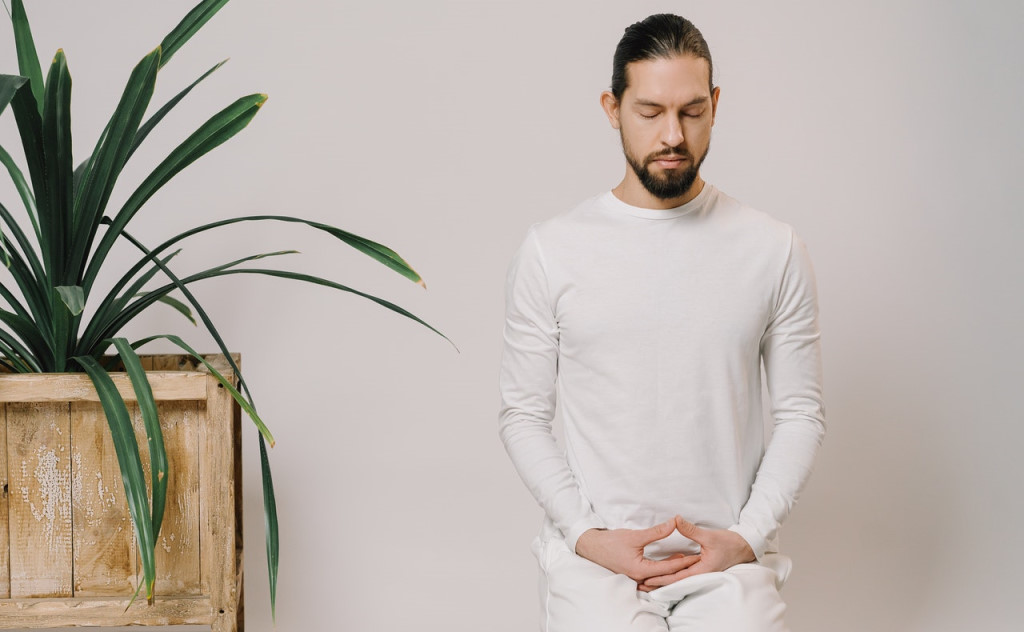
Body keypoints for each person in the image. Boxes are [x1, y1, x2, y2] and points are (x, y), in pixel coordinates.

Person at [497, 13, 826, 632]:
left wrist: (745, 538)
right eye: (650, 112)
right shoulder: (552, 250)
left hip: (728, 559)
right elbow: (523, 414)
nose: (673, 134)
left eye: (692, 110)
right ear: (612, 108)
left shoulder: (774, 249)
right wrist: (586, 535)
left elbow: (800, 413)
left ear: (715, 105)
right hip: (596, 561)